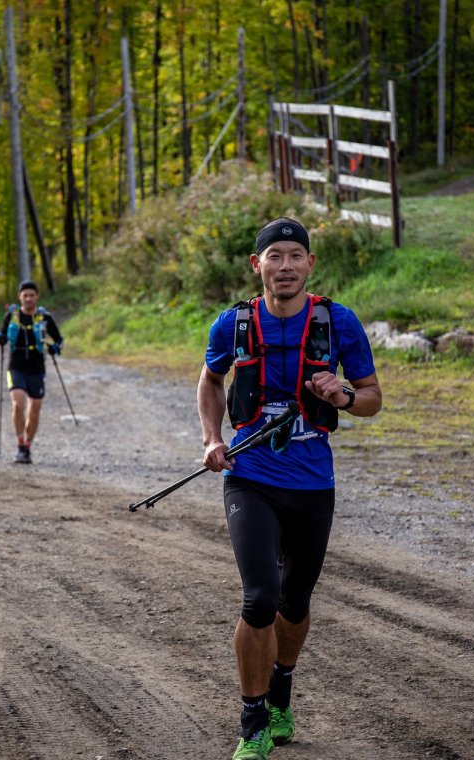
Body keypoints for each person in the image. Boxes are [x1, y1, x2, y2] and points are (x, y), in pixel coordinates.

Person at [196, 217, 382, 760]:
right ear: (257, 265)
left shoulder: (338, 322)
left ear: (309, 264)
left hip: (311, 483)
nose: (284, 266)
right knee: (259, 599)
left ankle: (281, 691)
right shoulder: (231, 325)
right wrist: (212, 438)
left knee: (294, 601)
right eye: (273, 256)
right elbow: (210, 380)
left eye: (294, 256)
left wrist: (343, 394)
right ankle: (253, 721)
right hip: (249, 478)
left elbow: (372, 397)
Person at [0, 280, 64, 464]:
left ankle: (28, 446)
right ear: (20, 297)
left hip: (37, 369)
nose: (28, 299)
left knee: (35, 410)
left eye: (32, 295)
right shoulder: (12, 316)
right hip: (15, 367)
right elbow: (1, 337)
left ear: (37, 296)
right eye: (25, 295)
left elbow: (59, 340)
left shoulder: (45, 318)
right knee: (18, 404)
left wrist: (55, 347)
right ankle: (20, 444)